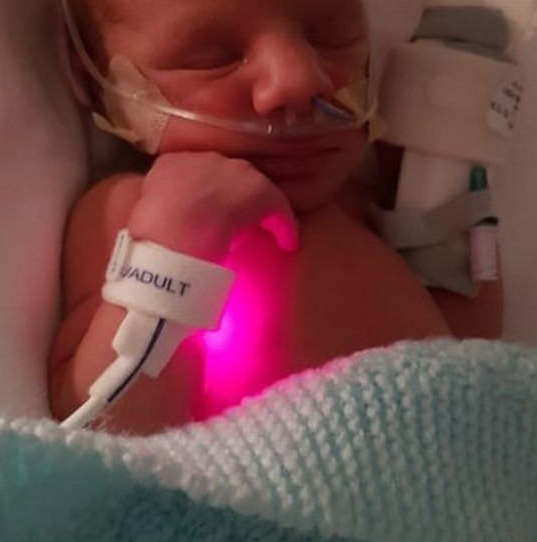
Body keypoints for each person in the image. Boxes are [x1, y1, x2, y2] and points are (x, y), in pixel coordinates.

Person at [48, 0, 502, 435]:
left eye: (330, 36)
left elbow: (472, 360)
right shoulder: (130, 213)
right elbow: (102, 429)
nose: (300, 80)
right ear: (96, 84)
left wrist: (445, 203)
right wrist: (171, 253)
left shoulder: (368, 210)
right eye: (212, 57)